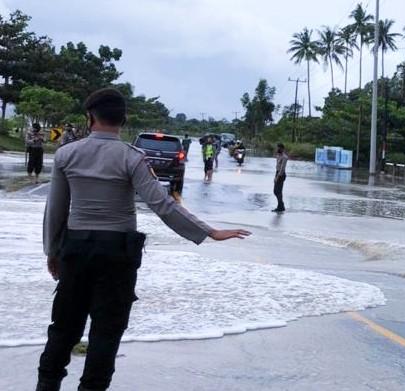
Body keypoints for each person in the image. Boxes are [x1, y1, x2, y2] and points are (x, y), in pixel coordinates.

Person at [37, 88, 251, 391]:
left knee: (63, 328)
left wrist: (52, 251)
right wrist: (209, 232)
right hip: (117, 253)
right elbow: (163, 205)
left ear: (90, 117)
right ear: (123, 120)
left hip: (76, 248)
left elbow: (55, 210)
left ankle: (46, 385)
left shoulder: (67, 154)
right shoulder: (132, 157)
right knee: (106, 333)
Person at [272, 143, 288, 212]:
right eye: (277, 148)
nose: (277, 149)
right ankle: (281, 206)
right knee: (276, 191)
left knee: (277, 191)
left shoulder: (284, 157)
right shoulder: (278, 155)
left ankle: (280, 206)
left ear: (282, 149)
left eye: (278, 148)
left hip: (281, 175)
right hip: (277, 173)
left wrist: (277, 177)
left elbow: (282, 169)